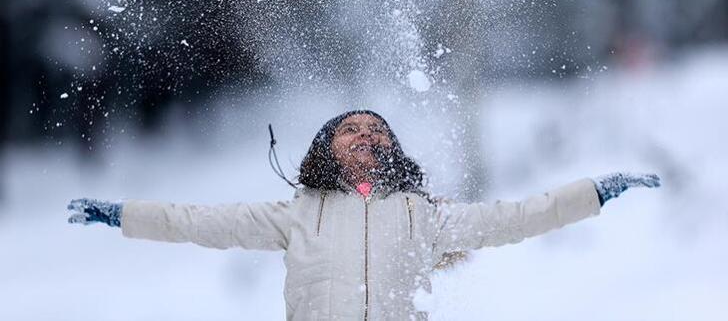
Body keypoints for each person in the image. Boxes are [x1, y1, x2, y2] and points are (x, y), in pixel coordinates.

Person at [67, 110, 660, 320]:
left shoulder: (423, 216)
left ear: (392, 149)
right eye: (350, 129)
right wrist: (121, 214)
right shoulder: (296, 214)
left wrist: (595, 192)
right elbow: (195, 220)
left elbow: (517, 217)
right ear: (326, 148)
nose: (365, 135)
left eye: (377, 130)